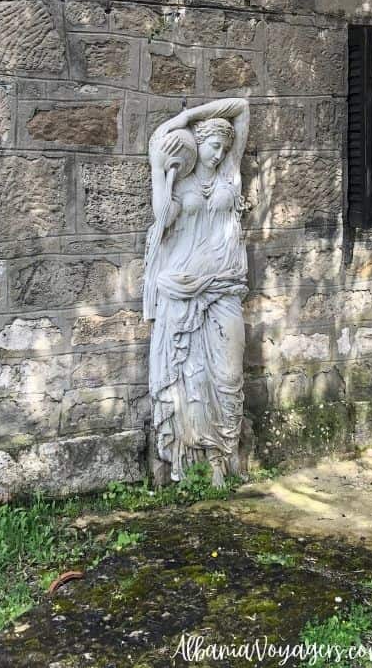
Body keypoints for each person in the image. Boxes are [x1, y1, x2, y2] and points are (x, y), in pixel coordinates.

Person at [143, 98, 250, 487]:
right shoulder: (178, 180)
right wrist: (161, 169)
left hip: (225, 285)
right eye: (213, 146)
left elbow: (241, 107)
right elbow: (163, 219)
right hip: (182, 286)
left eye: (224, 147)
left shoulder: (230, 174)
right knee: (188, 377)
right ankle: (190, 461)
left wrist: (191, 117)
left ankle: (224, 455)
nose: (220, 153)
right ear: (197, 144)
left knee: (228, 373)